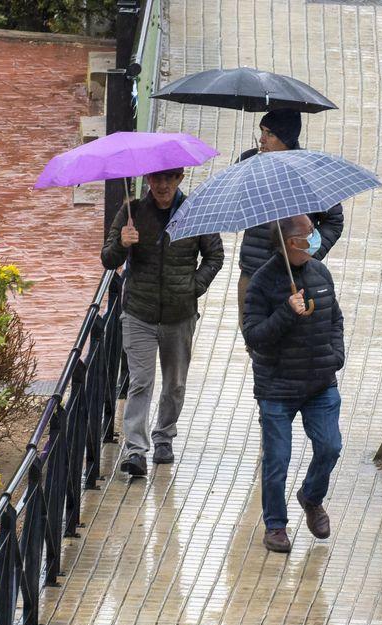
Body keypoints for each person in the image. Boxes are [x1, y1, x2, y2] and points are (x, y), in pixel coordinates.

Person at [101, 168, 224, 476]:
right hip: (138, 312)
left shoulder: (196, 211)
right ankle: (136, 449)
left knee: (175, 383)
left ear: (180, 179)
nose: (163, 185)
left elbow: (215, 256)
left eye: (169, 179)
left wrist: (193, 287)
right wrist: (122, 245)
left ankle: (164, 437)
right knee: (141, 380)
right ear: (149, 181)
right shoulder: (132, 211)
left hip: (179, 314)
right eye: (157, 179)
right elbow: (108, 259)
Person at [242, 214, 345, 553]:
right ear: (289, 243)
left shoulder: (320, 272)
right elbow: (254, 336)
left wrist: (335, 355)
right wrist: (286, 311)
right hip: (277, 388)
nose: (314, 239)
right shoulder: (262, 282)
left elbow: (335, 318)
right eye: (307, 235)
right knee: (277, 459)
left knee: (329, 446)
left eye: (314, 232)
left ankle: (311, 497)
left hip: (319, 383)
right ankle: (275, 526)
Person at [236, 109, 344, 338]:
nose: (262, 139)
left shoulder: (311, 170)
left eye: (271, 134)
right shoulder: (248, 164)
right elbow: (235, 205)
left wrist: (310, 253)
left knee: (294, 343)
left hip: (294, 276)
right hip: (253, 272)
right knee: (256, 342)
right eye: (262, 132)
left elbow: (333, 221)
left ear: (286, 139)